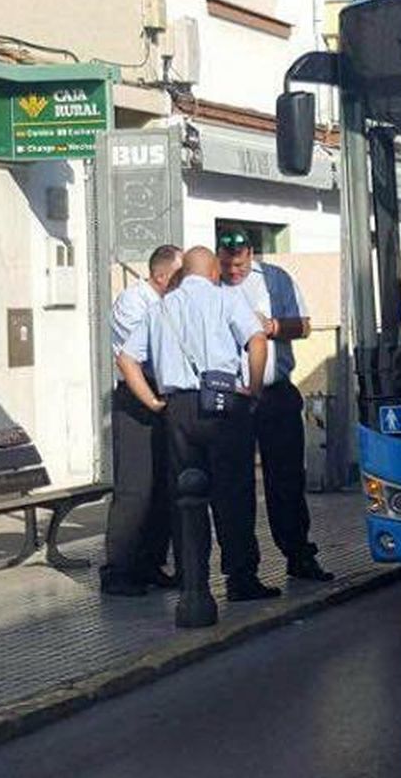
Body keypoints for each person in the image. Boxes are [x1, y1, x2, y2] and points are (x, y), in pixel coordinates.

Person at [117, 246, 277, 628]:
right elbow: (257, 339)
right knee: (234, 493)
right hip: (224, 402)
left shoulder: (160, 308)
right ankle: (241, 578)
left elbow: (126, 358)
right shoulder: (227, 298)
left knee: (186, 498)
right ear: (212, 273)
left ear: (181, 274)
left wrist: (154, 402)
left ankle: (193, 580)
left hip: (179, 409)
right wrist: (253, 387)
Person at [218, 230, 332, 581]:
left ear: (250, 254)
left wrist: (272, 326)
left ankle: (298, 554)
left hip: (274, 392)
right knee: (235, 486)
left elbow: (304, 325)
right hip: (232, 397)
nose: (232, 270)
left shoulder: (275, 280)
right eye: (226, 263)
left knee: (285, 479)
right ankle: (241, 570)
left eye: (238, 264)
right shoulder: (211, 285)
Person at [101, 244, 184, 596]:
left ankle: (151, 562)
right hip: (137, 396)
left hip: (165, 394)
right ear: (163, 276)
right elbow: (143, 352)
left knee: (164, 484)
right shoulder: (133, 302)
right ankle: (118, 570)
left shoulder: (170, 303)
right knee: (135, 488)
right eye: (181, 276)